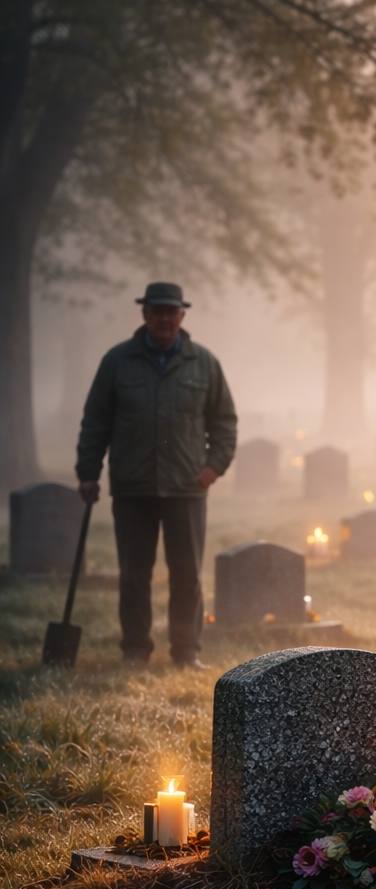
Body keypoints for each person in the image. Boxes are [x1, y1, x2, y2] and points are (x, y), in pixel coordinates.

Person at [75, 282, 237, 669]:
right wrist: (88, 472)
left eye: (171, 312)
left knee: (187, 574)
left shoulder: (204, 363)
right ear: (144, 314)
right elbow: (96, 421)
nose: (165, 318)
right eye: (157, 311)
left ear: (182, 315)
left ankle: (186, 651)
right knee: (134, 574)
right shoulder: (117, 361)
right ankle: (135, 649)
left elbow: (224, 422)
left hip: (187, 488)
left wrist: (213, 468)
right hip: (133, 487)